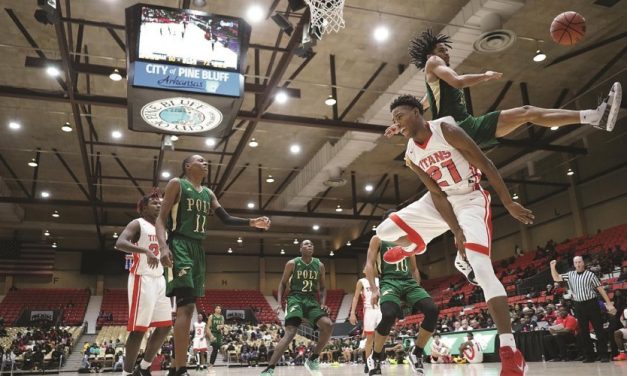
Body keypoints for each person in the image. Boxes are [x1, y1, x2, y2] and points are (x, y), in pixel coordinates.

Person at [376, 95, 535, 375]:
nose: (396, 124)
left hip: (471, 198)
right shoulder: (412, 153)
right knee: (384, 231)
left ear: (416, 112)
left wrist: (507, 201)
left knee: (483, 269)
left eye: (399, 116)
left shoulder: (445, 129)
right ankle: (417, 244)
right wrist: (456, 230)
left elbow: (485, 163)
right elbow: (436, 193)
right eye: (393, 120)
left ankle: (510, 351)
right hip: (443, 201)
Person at [396, 29, 622, 146]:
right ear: (430, 54)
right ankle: (594, 117)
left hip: (462, 131)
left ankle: (594, 117)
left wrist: (397, 125)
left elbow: (423, 104)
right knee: (527, 112)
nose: (446, 53)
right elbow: (457, 81)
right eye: (442, 49)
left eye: (446, 50)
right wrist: (484, 75)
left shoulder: (432, 81)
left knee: (528, 113)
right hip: (460, 128)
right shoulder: (434, 63)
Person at [156, 154, 271, 376]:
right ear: (188, 166)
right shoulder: (176, 184)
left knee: (189, 306)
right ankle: (179, 369)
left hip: (198, 249)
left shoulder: (208, 193)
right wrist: (163, 247)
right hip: (179, 243)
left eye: (206, 161)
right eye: (200, 160)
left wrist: (251, 222)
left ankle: (174, 368)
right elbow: (160, 219)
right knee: (186, 306)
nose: (205, 162)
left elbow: (225, 218)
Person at [364, 210, 439, 375]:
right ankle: (375, 357)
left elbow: (414, 269)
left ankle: (417, 352)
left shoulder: (409, 238)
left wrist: (415, 289)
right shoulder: (378, 238)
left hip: (409, 283)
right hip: (389, 281)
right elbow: (369, 265)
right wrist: (374, 289)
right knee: (389, 314)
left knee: (432, 310)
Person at [115, 191, 172, 376]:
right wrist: (144, 251)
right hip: (142, 279)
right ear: (144, 206)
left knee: (165, 326)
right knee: (139, 330)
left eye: (161, 203)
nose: (159, 205)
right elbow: (120, 243)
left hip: (160, 279)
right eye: (155, 202)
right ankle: (127, 373)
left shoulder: (163, 228)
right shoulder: (137, 223)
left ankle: (144, 367)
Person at [260, 240, 333, 376]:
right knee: (290, 332)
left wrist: (323, 303)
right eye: (306, 244)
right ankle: (269, 369)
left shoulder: (320, 265)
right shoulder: (292, 263)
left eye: (311, 244)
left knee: (328, 324)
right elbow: (282, 283)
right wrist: (278, 302)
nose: (309, 246)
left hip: (311, 300)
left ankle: (313, 359)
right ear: (300, 249)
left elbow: (322, 287)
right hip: (295, 299)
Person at [550, 257, 617, 362]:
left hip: (592, 303)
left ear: (583, 263)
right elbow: (556, 277)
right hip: (578, 305)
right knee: (583, 331)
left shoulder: (590, 275)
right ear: (574, 264)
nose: (578, 264)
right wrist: (552, 267)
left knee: (598, 329)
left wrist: (609, 303)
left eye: (579, 262)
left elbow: (600, 289)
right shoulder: (570, 274)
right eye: (576, 262)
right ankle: (589, 356)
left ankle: (603, 355)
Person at [349, 266, 381, 373]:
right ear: (363, 271)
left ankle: (377, 363)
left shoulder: (379, 280)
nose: (369, 269)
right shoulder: (361, 281)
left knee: (380, 339)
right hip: (369, 311)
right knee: (370, 339)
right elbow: (356, 297)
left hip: (380, 310)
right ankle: (368, 363)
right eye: (367, 267)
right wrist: (352, 313)